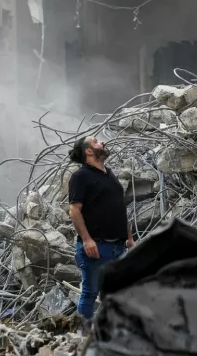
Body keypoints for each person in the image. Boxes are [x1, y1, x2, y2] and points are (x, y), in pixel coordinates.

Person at [68, 136, 134, 322]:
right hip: (97, 248)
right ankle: (82, 337)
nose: (102, 142)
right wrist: (87, 240)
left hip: (118, 247)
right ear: (88, 151)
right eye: (96, 141)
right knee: (90, 293)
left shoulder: (109, 174)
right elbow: (74, 211)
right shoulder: (80, 177)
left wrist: (129, 238)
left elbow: (118, 208)